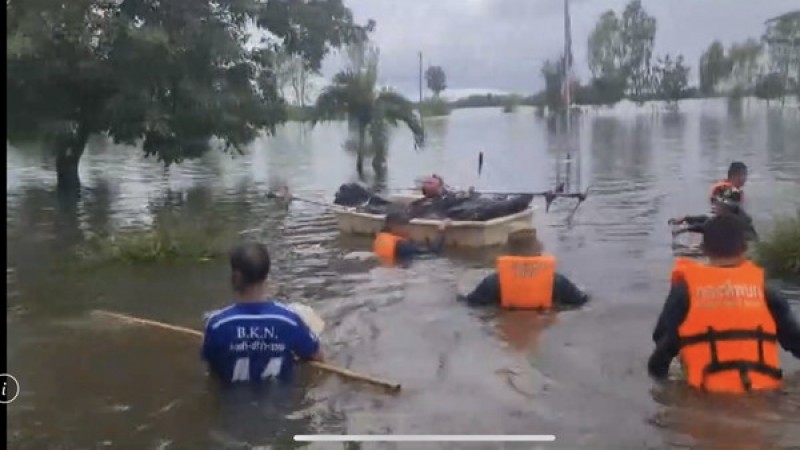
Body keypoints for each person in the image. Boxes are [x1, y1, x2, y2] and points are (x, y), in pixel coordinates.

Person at [649, 215, 800, 394]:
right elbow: (795, 342)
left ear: (704, 250)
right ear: (745, 248)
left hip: (705, 400)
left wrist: (663, 386)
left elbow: (661, 348)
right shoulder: (766, 292)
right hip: (764, 397)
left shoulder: (685, 292)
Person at [202, 241, 323, 385]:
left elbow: (212, 372)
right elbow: (318, 359)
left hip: (231, 403)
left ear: (235, 277)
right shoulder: (289, 321)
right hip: (281, 403)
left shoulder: (217, 324)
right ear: (266, 275)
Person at [457, 238, 590, 309]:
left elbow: (470, 304)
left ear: (509, 254)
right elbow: (581, 301)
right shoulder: (557, 281)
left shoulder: (492, 282)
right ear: (538, 254)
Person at [669, 187, 758, 241]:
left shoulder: (733, 221)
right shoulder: (735, 214)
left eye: (719, 204)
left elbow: (706, 226)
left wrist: (684, 230)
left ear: (727, 207)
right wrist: (686, 219)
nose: (716, 206)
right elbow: (707, 220)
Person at [372, 208, 450, 264]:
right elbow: (434, 252)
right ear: (393, 226)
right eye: (405, 225)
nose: (408, 228)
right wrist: (441, 230)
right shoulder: (402, 244)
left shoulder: (381, 237)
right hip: (398, 272)